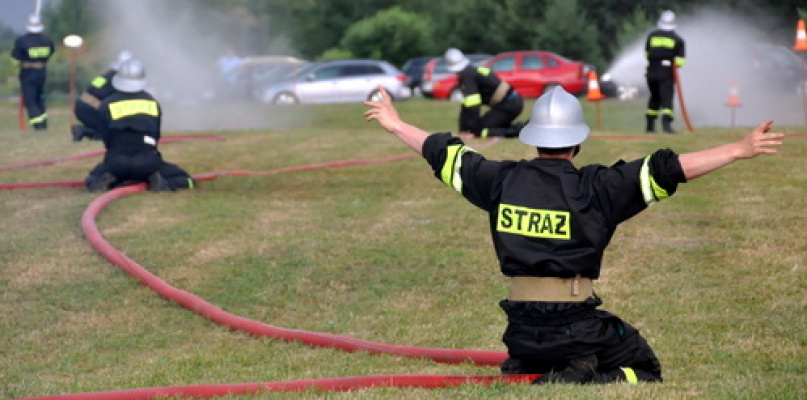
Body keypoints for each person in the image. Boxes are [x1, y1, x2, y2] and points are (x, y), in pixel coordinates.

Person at [364, 85, 784, 384]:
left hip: (519, 331)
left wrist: (395, 124)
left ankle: (532, 366)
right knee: (645, 368)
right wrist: (738, 150)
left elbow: (444, 153)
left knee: (543, 353)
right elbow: (668, 169)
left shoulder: (500, 181)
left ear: (533, 139)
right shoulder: (598, 188)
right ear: (577, 142)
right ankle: (578, 376)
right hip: (576, 328)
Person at [84, 58, 195, 192]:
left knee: (92, 178)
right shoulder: (152, 102)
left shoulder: (107, 103)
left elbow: (106, 136)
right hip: (148, 163)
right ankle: (163, 183)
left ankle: (108, 180)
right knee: (186, 180)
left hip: (116, 162)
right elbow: (156, 135)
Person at [443, 48, 524, 139]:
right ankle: (520, 128)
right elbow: (466, 105)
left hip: (509, 104)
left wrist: (472, 130)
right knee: (488, 125)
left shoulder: (467, 75)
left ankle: (520, 131)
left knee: (480, 129)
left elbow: (473, 105)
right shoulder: (472, 70)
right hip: (512, 102)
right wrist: (463, 129)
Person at [72, 50, 134, 142]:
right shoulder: (118, 79)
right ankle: (82, 130)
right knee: (108, 132)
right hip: (90, 109)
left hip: (81, 106)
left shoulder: (105, 76)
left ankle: (84, 130)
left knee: (104, 126)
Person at [10, 14, 55, 131]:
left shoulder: (22, 41)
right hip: (42, 72)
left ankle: (38, 125)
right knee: (39, 98)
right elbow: (51, 52)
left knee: (30, 100)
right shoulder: (48, 41)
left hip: (28, 73)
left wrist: (17, 66)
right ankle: (44, 123)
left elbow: (15, 58)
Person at [644, 10, 686, 134]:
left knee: (654, 97)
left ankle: (650, 126)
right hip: (666, 73)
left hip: (651, 72)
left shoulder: (652, 36)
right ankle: (666, 126)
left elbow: (646, 54)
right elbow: (680, 62)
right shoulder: (678, 40)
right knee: (666, 98)